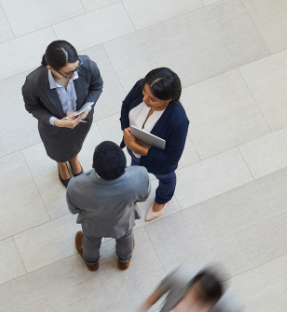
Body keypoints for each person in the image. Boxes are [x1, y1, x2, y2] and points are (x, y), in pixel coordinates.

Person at [23, 40, 103, 186]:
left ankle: (73, 159)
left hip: (81, 122)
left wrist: (86, 109)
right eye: (68, 73)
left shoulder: (88, 65)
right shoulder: (33, 82)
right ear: (50, 68)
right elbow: (32, 107)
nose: (74, 75)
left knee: (76, 143)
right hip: (53, 128)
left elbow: (97, 86)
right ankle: (61, 164)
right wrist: (57, 121)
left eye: (76, 69)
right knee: (56, 149)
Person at [69, 141, 150, 271]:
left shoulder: (76, 186)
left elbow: (74, 209)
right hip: (124, 221)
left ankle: (91, 262)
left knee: (90, 241)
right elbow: (144, 196)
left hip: (93, 225)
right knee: (126, 237)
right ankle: (124, 260)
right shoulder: (141, 175)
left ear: (93, 165)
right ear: (124, 163)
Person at [120, 68, 189, 221]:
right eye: (144, 93)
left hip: (159, 163)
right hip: (133, 150)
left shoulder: (178, 121)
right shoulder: (141, 87)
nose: (144, 100)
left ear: (168, 99)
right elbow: (126, 106)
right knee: (136, 171)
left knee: (166, 179)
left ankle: (163, 199)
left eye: (152, 99)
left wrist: (137, 147)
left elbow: (172, 158)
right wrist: (126, 130)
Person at [141, 264, 243, 312]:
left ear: (214, 302)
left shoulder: (230, 306)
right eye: (193, 295)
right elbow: (153, 297)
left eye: (201, 302)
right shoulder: (181, 276)